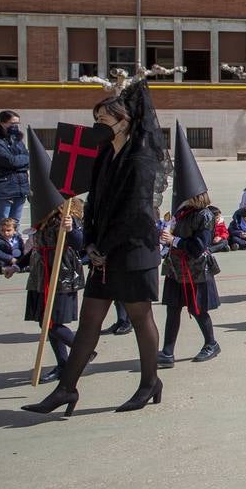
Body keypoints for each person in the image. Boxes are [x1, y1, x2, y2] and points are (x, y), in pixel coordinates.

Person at [24, 78, 168, 417]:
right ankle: (66, 389)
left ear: (125, 121)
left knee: (140, 316)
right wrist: (89, 243)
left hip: (133, 251)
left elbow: (134, 212)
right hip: (102, 250)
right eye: (96, 119)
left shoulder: (140, 160)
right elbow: (93, 204)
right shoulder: (105, 155)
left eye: (104, 119)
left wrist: (103, 246)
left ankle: (150, 382)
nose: (98, 125)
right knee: (89, 321)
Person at [156, 122, 221, 367]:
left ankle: (211, 343)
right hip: (176, 268)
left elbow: (198, 246)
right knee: (173, 309)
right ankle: (167, 351)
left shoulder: (203, 215)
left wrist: (176, 240)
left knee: (197, 309)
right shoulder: (182, 213)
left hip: (195, 269)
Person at [23, 198, 87, 383]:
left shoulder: (66, 217)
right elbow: (36, 248)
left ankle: (83, 350)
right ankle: (63, 364)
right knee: (45, 322)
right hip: (41, 274)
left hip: (61, 274)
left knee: (52, 322)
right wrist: (17, 265)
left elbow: (79, 243)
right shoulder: (41, 219)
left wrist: (70, 230)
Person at [0, 110, 29, 237]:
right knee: (1, 223)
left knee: (15, 223)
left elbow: (28, 157)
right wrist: (21, 161)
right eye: (12, 123)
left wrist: (21, 161)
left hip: (20, 187)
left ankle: (14, 250)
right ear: (2, 122)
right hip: (3, 188)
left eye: (17, 123)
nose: (15, 126)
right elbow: (9, 161)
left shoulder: (17, 140)